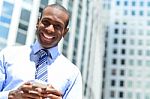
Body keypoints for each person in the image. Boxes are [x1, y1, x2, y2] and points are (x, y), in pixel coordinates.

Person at [0, 4, 82, 99]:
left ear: (65, 32)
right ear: (38, 22)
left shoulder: (72, 73)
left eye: (57, 26)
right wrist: (11, 95)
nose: (49, 29)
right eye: (46, 22)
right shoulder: (8, 55)